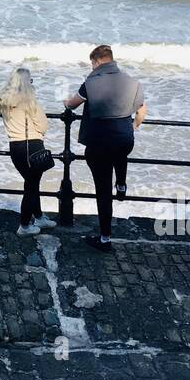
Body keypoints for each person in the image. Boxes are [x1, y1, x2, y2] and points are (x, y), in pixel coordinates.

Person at [64, 44, 147, 252]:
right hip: (124, 139)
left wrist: (65, 102)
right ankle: (121, 184)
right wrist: (133, 126)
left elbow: (72, 104)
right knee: (120, 152)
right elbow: (141, 111)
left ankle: (105, 238)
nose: (91, 67)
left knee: (102, 190)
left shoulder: (91, 82)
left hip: (99, 143)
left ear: (98, 61)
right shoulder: (132, 82)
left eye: (92, 63)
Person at [0, 67, 56, 236]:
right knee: (31, 186)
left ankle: (39, 216)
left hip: (15, 148)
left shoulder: (2, 101)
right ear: (27, 84)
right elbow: (43, 126)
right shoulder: (29, 101)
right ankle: (25, 226)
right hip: (32, 146)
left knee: (32, 184)